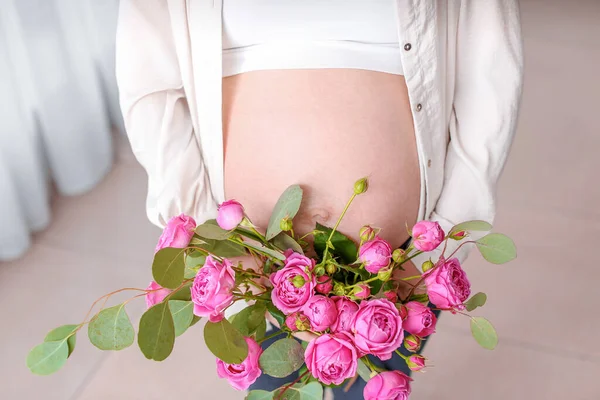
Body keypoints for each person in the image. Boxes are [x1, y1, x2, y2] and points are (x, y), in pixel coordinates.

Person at [116, 0, 523, 398]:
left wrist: (440, 239)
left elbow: (490, 78)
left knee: (372, 389)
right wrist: (221, 247)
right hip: (248, 273)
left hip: (396, 276)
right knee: (273, 388)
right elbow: (149, 84)